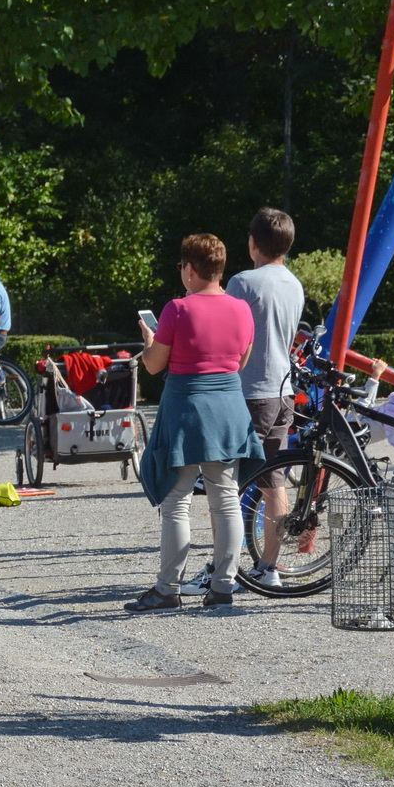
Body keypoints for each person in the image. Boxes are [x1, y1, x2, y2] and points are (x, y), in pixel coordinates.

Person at [129, 233, 265, 611]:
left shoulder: (177, 309)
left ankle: (167, 589)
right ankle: (223, 587)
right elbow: (239, 361)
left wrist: (149, 341)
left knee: (176, 501)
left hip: (187, 409)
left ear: (189, 269)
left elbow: (155, 365)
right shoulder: (241, 309)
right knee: (226, 499)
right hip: (229, 409)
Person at [192, 208, 306, 591]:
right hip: (282, 390)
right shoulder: (294, 283)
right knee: (274, 481)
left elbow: (225, 330)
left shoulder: (244, 281)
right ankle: (268, 568)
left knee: (223, 483)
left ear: (252, 243)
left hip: (247, 391)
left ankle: (223, 568)